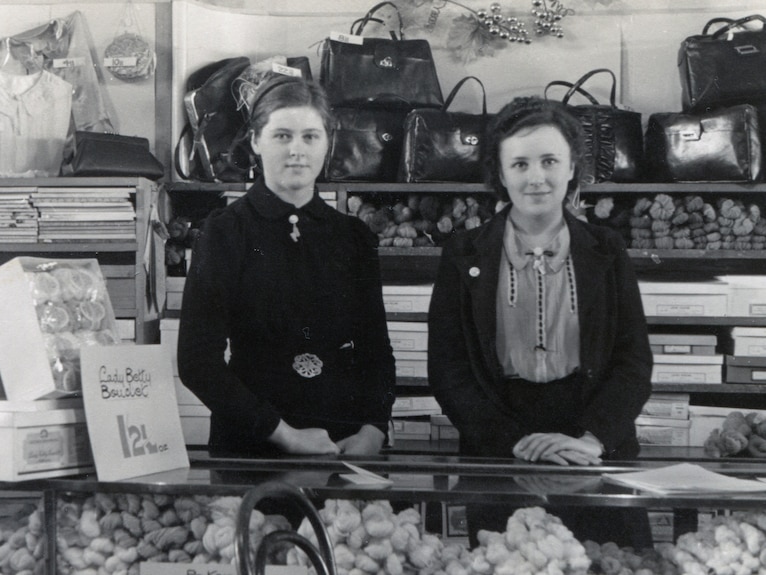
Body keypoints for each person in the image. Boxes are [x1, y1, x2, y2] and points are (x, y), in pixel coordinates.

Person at [427, 96, 653, 546]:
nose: (536, 177)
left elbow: (633, 360)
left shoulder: (607, 248)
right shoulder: (463, 252)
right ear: (500, 173)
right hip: (500, 448)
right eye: (521, 164)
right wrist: (511, 441)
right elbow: (449, 369)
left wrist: (593, 439)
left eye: (550, 161)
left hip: (591, 448)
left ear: (572, 168)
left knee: (607, 559)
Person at [177, 75, 396, 457]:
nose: (297, 150)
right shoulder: (224, 232)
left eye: (310, 136)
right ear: (256, 141)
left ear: (327, 144)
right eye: (282, 136)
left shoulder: (353, 237)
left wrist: (374, 428)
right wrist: (283, 434)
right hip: (251, 443)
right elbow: (198, 362)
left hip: (343, 443)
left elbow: (375, 350)